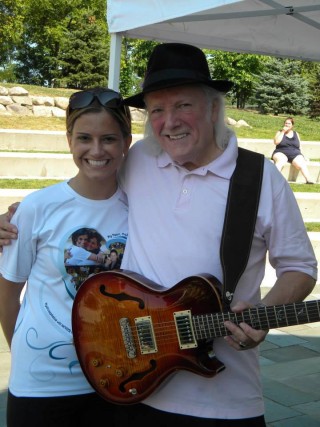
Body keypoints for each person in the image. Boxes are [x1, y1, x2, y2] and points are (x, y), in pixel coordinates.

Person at [0, 43, 317, 427]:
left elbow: (299, 266)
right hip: (136, 390)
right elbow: (87, 182)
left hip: (226, 397)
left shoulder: (259, 178)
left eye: (183, 105)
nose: (169, 121)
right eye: (157, 110)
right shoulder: (141, 160)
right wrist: (18, 216)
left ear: (214, 108)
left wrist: (264, 316)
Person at [0, 87, 132, 427]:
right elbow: (8, 293)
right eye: (84, 137)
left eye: (109, 139)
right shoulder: (35, 208)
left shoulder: (140, 207)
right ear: (69, 139)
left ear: (126, 142)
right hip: (42, 383)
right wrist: (27, 354)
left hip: (118, 377)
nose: (96, 150)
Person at [272, 117, 315, 183]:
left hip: (295, 153)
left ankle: (308, 179)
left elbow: (299, 146)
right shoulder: (279, 132)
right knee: (281, 160)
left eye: (289, 123)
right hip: (280, 152)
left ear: (292, 125)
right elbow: (276, 142)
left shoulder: (296, 134)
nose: (287, 125)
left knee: (301, 163)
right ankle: (274, 179)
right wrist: (283, 131)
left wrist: (302, 156)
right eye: (286, 123)